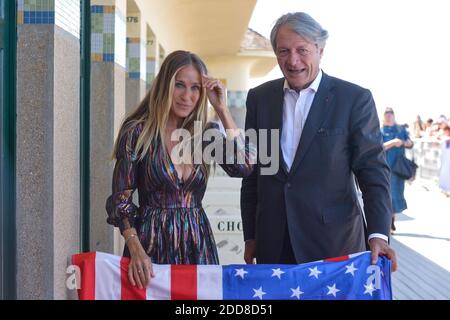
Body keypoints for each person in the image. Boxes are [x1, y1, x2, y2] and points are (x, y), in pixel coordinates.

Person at [240, 12, 398, 270]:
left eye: (302, 50)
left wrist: (378, 234)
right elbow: (254, 176)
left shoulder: (354, 99)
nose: (293, 60)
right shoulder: (260, 99)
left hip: (334, 247)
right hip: (274, 245)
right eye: (283, 51)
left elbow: (373, 172)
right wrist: (252, 236)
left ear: (320, 50)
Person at [106, 50, 255, 289]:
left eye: (195, 88)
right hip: (149, 242)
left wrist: (222, 111)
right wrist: (134, 246)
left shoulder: (205, 134)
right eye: (179, 85)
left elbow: (245, 165)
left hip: (198, 241)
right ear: (165, 85)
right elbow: (120, 198)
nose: (187, 96)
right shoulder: (137, 132)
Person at [381, 107, 414, 233]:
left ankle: (392, 221)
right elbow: (378, 147)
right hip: (384, 168)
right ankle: (389, 223)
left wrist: (403, 142)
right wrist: (393, 142)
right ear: (383, 116)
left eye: (391, 113)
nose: (389, 115)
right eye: (386, 113)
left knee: (396, 194)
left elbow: (410, 144)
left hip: (398, 169)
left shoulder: (401, 129)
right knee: (386, 195)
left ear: (394, 115)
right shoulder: (380, 131)